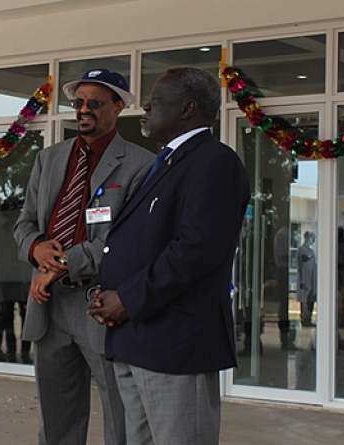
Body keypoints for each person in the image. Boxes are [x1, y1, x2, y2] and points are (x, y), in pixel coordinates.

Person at [87, 67, 250, 445]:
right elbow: (136, 240)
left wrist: (126, 298)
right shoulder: (165, 162)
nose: (145, 106)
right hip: (134, 339)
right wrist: (103, 289)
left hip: (176, 345)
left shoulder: (215, 162)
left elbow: (195, 250)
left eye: (156, 100)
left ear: (187, 108)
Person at [13, 68, 154, 445]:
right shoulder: (49, 159)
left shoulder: (141, 164)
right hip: (49, 304)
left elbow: (124, 239)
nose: (84, 110)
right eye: (78, 103)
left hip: (101, 304)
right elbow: (24, 223)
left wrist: (61, 265)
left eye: (95, 103)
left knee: (120, 414)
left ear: (119, 107)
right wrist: (37, 248)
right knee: (56, 419)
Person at [296, 231, 317, 326]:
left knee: (311, 298)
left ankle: (309, 317)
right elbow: (301, 266)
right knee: (304, 299)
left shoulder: (312, 251)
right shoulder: (301, 251)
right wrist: (302, 280)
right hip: (304, 279)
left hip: (312, 279)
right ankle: (304, 318)